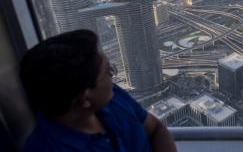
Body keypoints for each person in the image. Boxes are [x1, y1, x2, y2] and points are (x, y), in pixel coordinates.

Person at [20, 29, 177, 152]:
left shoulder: (113, 99)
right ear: (85, 98)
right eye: (108, 71)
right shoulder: (47, 148)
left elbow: (156, 129)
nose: (112, 76)